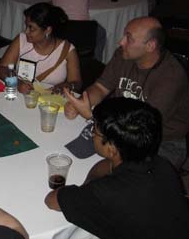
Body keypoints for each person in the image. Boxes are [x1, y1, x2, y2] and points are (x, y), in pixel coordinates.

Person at [45, 98, 189, 239]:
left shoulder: (107, 192)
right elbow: (106, 165)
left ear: (112, 148)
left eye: (95, 131)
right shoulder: (161, 164)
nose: (92, 134)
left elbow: (51, 200)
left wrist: (87, 189)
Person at [64, 16, 189, 168]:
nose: (121, 42)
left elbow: (140, 131)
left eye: (128, 38)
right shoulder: (123, 55)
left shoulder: (171, 76)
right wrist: (84, 101)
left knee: (123, 179)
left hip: (161, 141)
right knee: (68, 149)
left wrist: (92, 116)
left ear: (150, 45)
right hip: (118, 125)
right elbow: (101, 88)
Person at [0, 2, 82, 94]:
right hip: (20, 95)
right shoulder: (21, 40)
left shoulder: (67, 50)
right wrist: (17, 83)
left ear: (48, 30)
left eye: (31, 28)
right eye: (26, 26)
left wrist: (68, 86)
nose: (26, 31)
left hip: (50, 101)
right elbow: (2, 68)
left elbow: (77, 83)